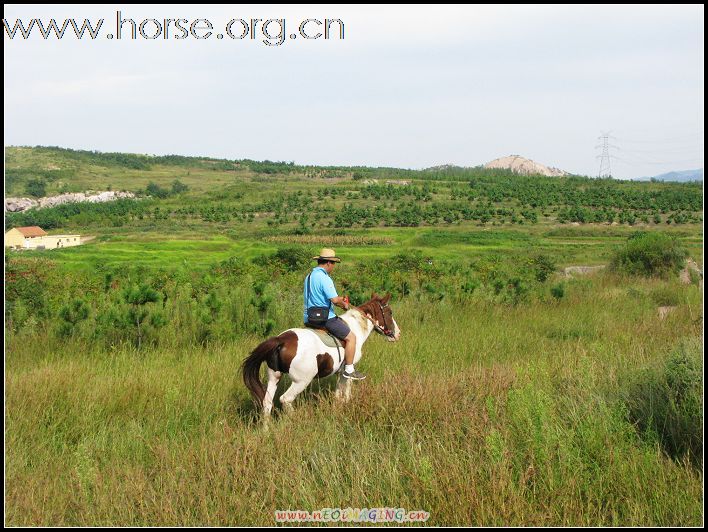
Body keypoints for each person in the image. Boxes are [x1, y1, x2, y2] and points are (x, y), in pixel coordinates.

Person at [304, 248, 366, 380]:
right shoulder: (324, 278)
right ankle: (349, 369)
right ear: (328, 263)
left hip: (309, 318)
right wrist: (344, 304)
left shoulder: (308, 277)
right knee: (351, 338)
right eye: (333, 264)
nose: (333, 267)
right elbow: (334, 300)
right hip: (325, 318)